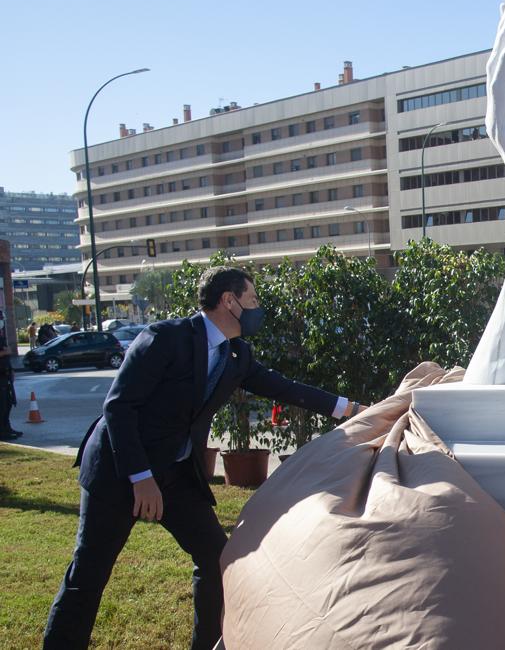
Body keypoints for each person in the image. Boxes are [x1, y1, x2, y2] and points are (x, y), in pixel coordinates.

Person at [44, 266, 370, 650]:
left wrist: (351, 409)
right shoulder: (165, 339)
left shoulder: (237, 354)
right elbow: (118, 408)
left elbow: (283, 388)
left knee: (217, 559)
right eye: (252, 299)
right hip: (119, 469)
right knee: (89, 573)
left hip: (175, 475)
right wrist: (141, 478)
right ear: (229, 301)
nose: (258, 308)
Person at [0, 358, 19, 440]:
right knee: (2, 408)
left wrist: (11, 370)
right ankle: (2, 432)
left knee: (8, 404)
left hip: (5, 378)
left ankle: (7, 428)